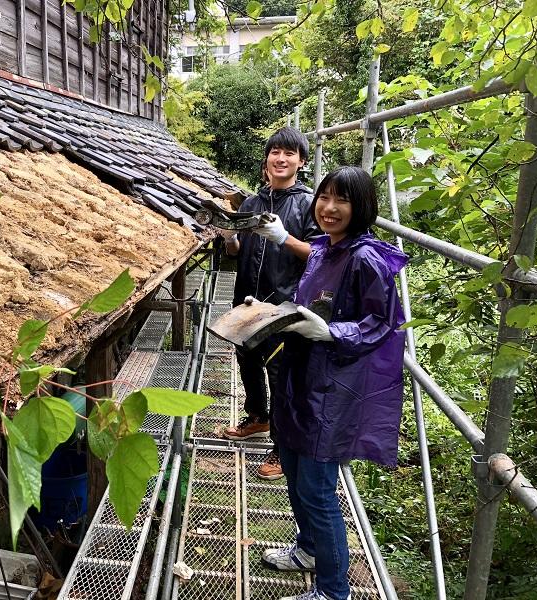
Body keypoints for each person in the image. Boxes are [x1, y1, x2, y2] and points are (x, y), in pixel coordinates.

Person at [261, 166, 408, 600]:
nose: (328, 208)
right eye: (324, 197)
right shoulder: (326, 249)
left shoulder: (366, 258)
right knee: (291, 467)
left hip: (333, 388)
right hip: (300, 378)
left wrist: (332, 333)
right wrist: (272, 313)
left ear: (360, 206)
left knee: (318, 489)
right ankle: (307, 549)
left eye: (341, 200)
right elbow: (312, 304)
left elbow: (382, 323)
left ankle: (333, 590)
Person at [222, 127, 321, 480]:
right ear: (266, 159)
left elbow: (320, 254)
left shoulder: (309, 204)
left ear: (301, 161)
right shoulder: (252, 203)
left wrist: (284, 237)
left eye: (289, 153)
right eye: (275, 152)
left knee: (281, 377)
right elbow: (236, 253)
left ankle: (282, 449)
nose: (281, 158)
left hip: (284, 307)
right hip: (247, 299)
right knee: (246, 359)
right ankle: (257, 417)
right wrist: (230, 237)